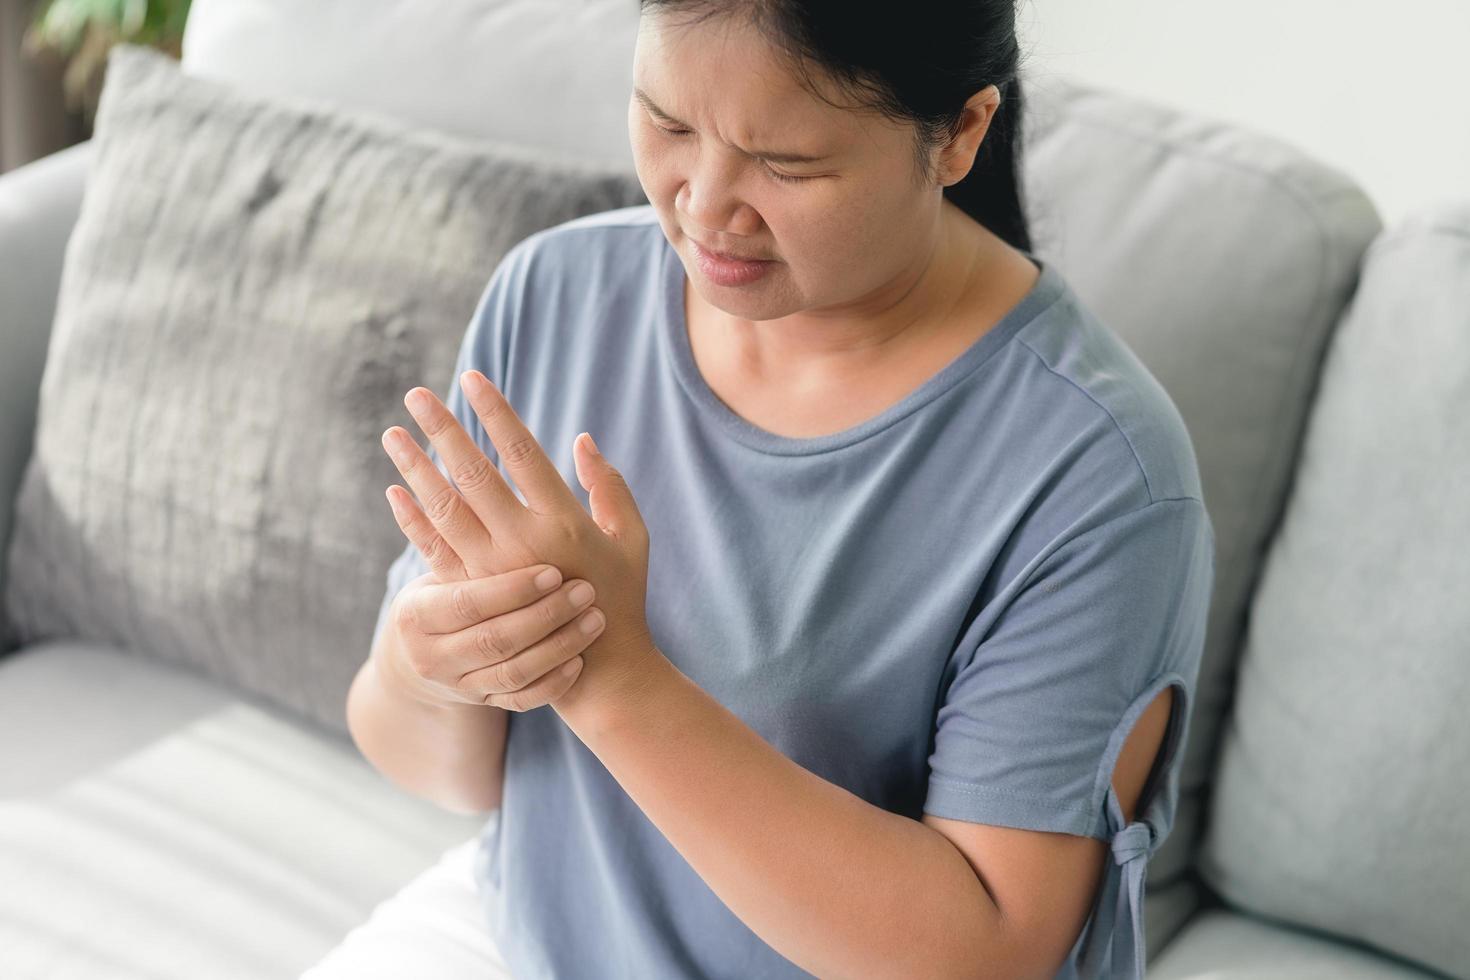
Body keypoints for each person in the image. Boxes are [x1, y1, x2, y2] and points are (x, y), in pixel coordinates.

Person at [313, 1, 1216, 978]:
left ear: (960, 133)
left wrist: (613, 676)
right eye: (667, 123)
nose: (703, 207)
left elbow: (985, 950)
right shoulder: (557, 293)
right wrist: (426, 664)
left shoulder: (1098, 474)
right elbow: (445, 768)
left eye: (787, 165)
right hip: (516, 935)